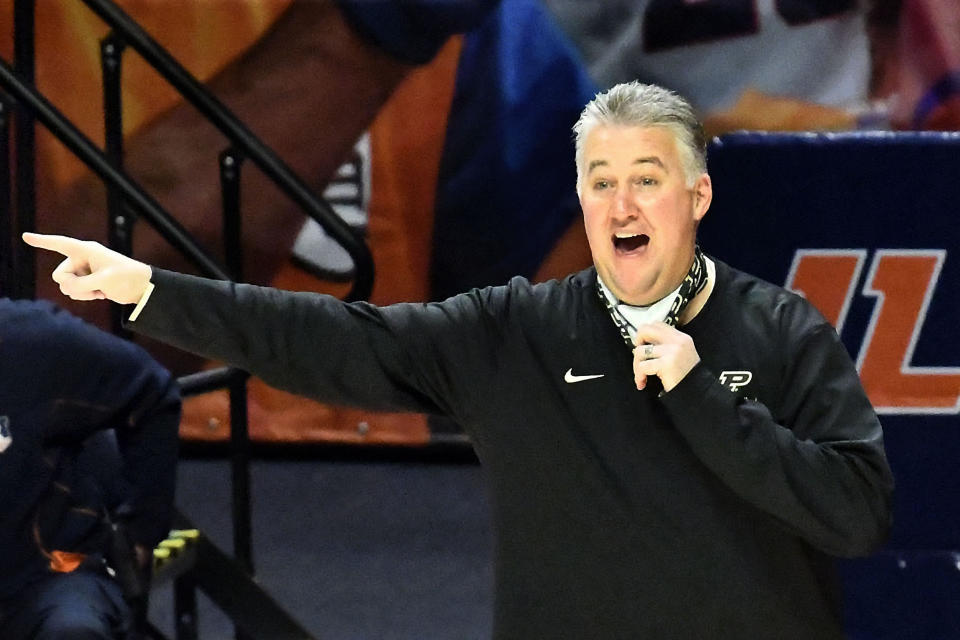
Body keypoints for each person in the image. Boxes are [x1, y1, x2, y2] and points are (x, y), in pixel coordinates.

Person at [24, 81, 893, 639]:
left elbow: (858, 517)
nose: (622, 202)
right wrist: (153, 291)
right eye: (599, 179)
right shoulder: (513, 331)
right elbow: (330, 339)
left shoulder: (783, 332)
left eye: (648, 177)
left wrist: (705, 396)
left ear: (696, 195)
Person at [0, 298, 181, 639]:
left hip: (47, 575)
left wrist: (142, 531)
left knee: (72, 631)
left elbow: (152, 392)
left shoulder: (35, 342)